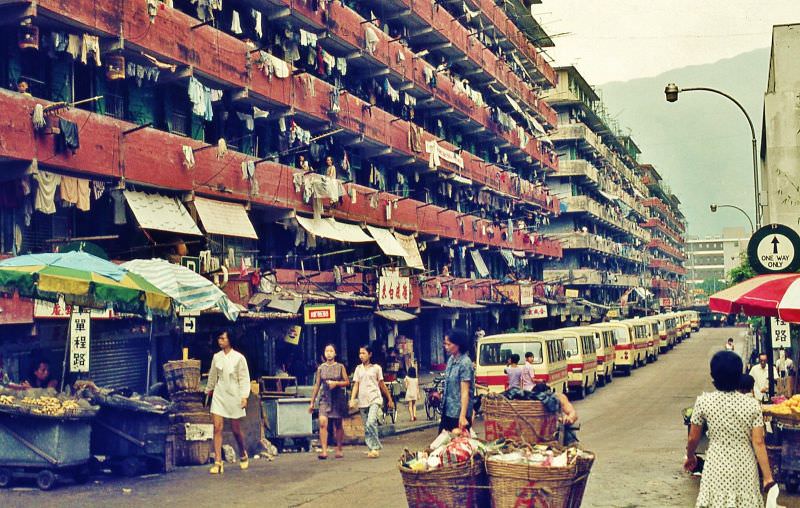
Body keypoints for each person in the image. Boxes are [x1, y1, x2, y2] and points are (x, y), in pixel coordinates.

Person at [685, 351, 774, 507]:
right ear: (738, 374)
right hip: (745, 468)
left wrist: (690, 456)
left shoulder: (704, 402)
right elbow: (758, 443)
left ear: (713, 375)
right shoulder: (752, 405)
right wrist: (767, 477)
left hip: (716, 467)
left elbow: (693, 438)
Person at [205, 331, 251, 474]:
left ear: (229, 340)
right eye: (219, 338)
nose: (220, 341)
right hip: (220, 394)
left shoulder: (239, 358)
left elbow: (244, 378)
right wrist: (208, 390)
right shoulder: (216, 357)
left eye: (223, 338)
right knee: (217, 427)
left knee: (235, 430)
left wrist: (244, 396)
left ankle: (243, 453)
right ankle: (218, 461)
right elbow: (213, 376)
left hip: (234, 395)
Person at [349, 345, 394, 458]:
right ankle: (371, 449)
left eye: (363, 353)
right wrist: (352, 399)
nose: (361, 356)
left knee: (371, 422)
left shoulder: (376, 368)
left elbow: (382, 384)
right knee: (367, 427)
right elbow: (356, 385)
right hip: (362, 401)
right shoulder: (358, 369)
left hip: (375, 398)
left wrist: (389, 398)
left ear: (370, 354)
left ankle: (375, 447)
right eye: (360, 353)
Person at [309, 344, 349, 460]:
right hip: (325, 397)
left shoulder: (340, 367)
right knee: (322, 422)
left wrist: (336, 383)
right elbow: (317, 386)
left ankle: (339, 448)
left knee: (338, 424)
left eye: (331, 351)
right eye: (327, 351)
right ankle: (324, 451)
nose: (329, 353)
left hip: (337, 397)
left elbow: (347, 382)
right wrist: (312, 402)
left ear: (335, 353)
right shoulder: (321, 368)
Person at [439, 328, 474, 433]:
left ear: (458, 345)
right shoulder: (450, 360)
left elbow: (465, 392)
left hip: (458, 413)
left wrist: (462, 416)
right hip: (447, 411)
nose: (446, 347)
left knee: (459, 446)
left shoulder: (465, 363)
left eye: (449, 344)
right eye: (445, 344)